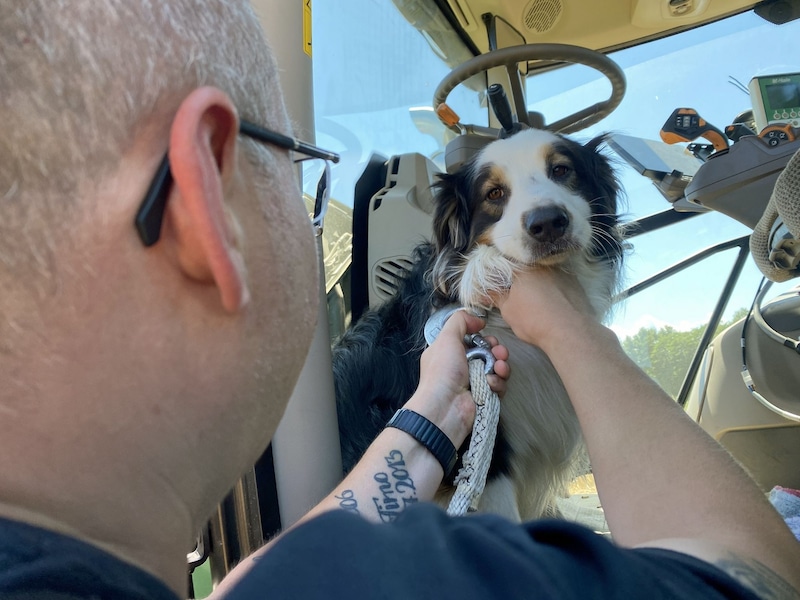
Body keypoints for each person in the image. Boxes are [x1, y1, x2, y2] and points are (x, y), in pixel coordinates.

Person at [0, 2, 797, 599]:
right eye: (300, 160)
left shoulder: (262, 581)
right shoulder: (413, 578)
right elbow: (756, 568)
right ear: (201, 208)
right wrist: (569, 331)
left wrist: (430, 415)